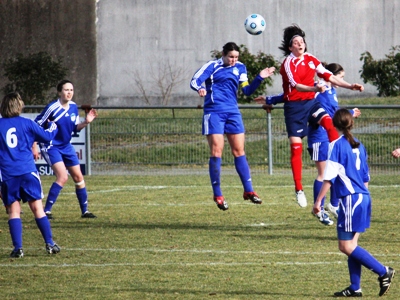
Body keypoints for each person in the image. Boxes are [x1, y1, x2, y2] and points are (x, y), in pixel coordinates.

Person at [258, 24, 364, 208]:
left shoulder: (312, 59)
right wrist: (315, 87)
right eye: (296, 42)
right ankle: (299, 189)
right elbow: (297, 86)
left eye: (302, 41)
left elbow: (330, 76)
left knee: (330, 125)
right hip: (294, 108)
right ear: (290, 47)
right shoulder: (287, 64)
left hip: (311, 103)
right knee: (296, 148)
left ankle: (339, 164)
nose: (300, 44)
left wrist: (350, 86)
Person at [313, 108, 395, 297]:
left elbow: (329, 178)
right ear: (351, 123)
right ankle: (355, 287)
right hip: (363, 197)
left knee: (346, 246)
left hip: (351, 199)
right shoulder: (359, 145)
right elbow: (365, 177)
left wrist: (318, 202)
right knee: (352, 245)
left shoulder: (336, 145)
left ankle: (384, 271)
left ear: (334, 124)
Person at [190, 42, 275, 210]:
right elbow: (194, 80)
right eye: (231, 57)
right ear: (223, 54)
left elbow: (247, 91)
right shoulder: (212, 66)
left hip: (233, 112)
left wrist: (259, 77)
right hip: (214, 112)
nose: (233, 60)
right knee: (217, 151)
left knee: (239, 151)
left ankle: (249, 191)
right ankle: (218, 194)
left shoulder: (240, 68)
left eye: (236, 57)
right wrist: (200, 88)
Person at [0, 92, 60, 257]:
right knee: (37, 209)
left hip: (8, 174)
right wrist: (53, 126)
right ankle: (49, 244)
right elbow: (47, 137)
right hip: (27, 171)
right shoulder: (26, 123)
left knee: (14, 211)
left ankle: (18, 248)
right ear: (18, 106)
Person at [34, 79, 98, 219]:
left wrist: (86, 122)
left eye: (71, 90)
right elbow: (36, 126)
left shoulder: (74, 107)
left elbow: (75, 128)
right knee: (62, 177)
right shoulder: (52, 108)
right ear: (59, 92)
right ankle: (47, 211)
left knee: (78, 176)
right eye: (66, 90)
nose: (69, 93)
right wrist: (34, 145)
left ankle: (85, 211)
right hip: (51, 146)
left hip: (66, 146)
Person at [307, 63, 361, 226]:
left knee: (337, 171)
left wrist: (349, 114)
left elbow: (334, 113)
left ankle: (334, 205)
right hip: (319, 136)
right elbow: (318, 111)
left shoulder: (332, 91)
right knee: (323, 174)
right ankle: (319, 209)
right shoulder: (320, 88)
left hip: (331, 136)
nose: (341, 80)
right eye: (340, 77)